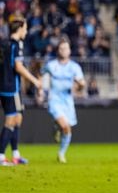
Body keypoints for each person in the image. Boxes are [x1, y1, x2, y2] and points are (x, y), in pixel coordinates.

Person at [0, 19, 42, 166]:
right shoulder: (17, 45)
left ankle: (16, 154)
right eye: (25, 28)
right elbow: (18, 67)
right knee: (11, 120)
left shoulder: (4, 43)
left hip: (4, 86)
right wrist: (34, 81)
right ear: (19, 29)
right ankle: (1, 156)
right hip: (11, 88)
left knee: (18, 118)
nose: (26, 31)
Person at [42, 39, 86, 163]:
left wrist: (80, 85)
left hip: (67, 100)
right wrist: (40, 90)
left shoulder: (74, 67)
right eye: (61, 48)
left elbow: (82, 84)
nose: (64, 51)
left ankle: (61, 153)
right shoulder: (51, 65)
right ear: (58, 51)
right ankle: (58, 126)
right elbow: (41, 74)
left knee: (67, 129)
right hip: (54, 100)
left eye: (66, 48)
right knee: (64, 125)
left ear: (70, 51)